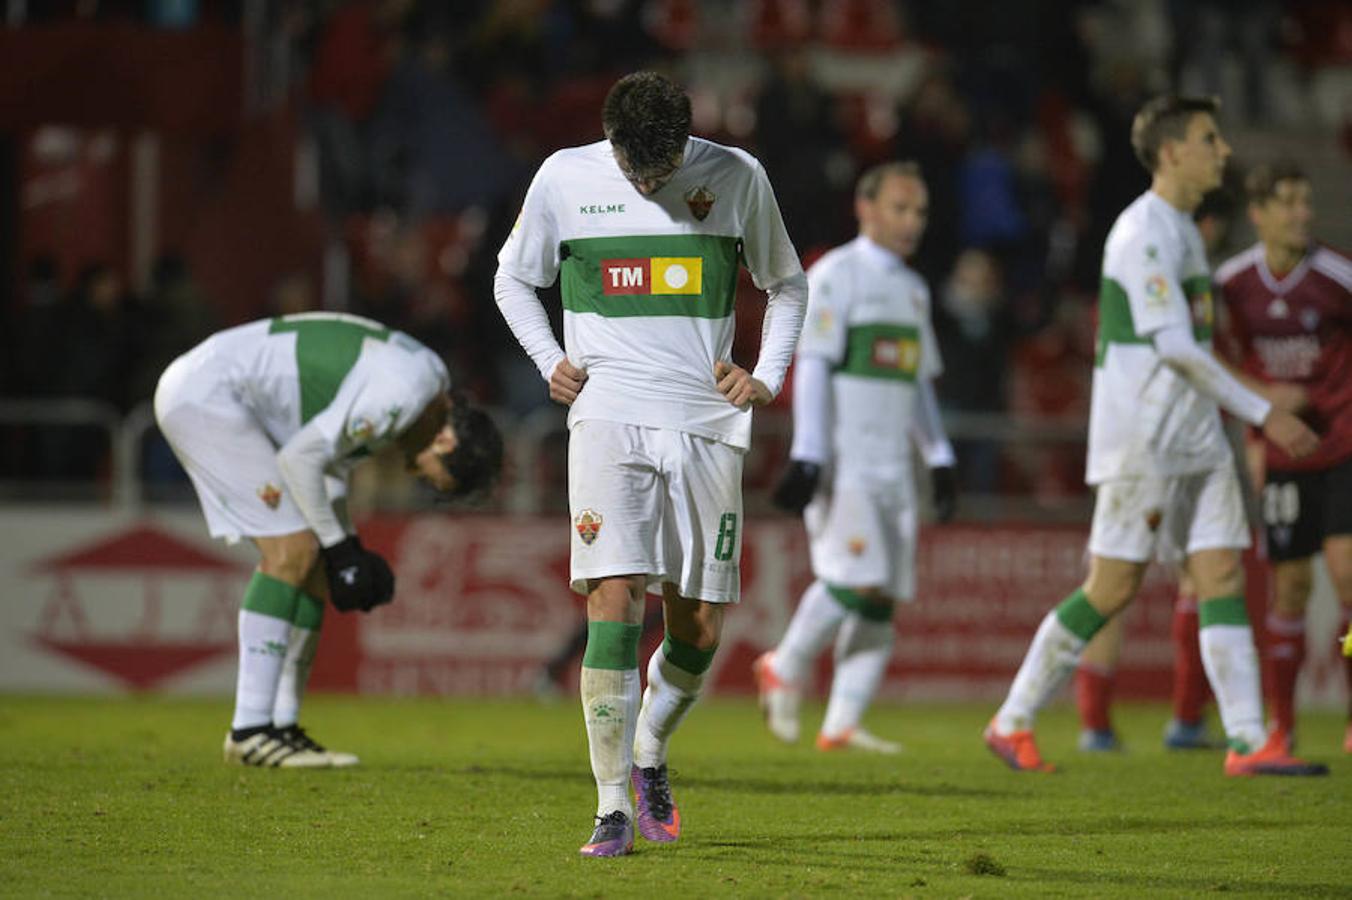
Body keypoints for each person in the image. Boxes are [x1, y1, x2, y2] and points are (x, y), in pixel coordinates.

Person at [494, 71, 806, 857]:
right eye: (637, 169)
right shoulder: (566, 175)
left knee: (699, 627)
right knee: (616, 599)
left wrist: (765, 375)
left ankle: (650, 750)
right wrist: (547, 360)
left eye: (661, 169)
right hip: (606, 415)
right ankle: (609, 808)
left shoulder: (737, 176)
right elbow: (511, 277)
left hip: (706, 422)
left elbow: (788, 285)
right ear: (615, 143)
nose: (648, 181)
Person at [982, 94, 1329, 777]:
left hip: (1195, 435)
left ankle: (1248, 740)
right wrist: (1263, 411)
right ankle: (1012, 720)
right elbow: (1174, 346)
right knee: (1111, 587)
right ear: (1171, 151)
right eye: (1209, 138)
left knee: (1222, 570)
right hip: (1143, 438)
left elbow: (1191, 347)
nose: (1223, 150)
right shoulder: (1141, 231)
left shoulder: (1185, 232)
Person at [155, 311, 502, 767]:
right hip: (209, 397)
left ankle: (281, 726)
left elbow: (326, 472)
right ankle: (251, 730)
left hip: (217, 387)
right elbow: (301, 462)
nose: (414, 471)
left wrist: (345, 547)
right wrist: (342, 549)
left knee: (314, 567)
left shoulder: (423, 384)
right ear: (446, 443)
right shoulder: (402, 398)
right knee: (293, 551)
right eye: (431, 475)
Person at [753, 161, 956, 755]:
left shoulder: (913, 289)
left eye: (919, 211)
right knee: (855, 576)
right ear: (865, 209)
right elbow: (813, 366)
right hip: (848, 462)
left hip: (896, 464)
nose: (911, 221)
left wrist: (938, 456)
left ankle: (842, 724)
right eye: (899, 208)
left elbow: (917, 383)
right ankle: (784, 664)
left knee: (884, 592)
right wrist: (810, 454)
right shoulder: (837, 274)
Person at [1214, 160, 1352, 754]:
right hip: (1283, 455)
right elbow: (1218, 360)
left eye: (1305, 201)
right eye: (1288, 202)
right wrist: (1259, 417)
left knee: (1349, 579)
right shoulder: (1233, 283)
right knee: (1289, 588)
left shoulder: (1340, 275)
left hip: (1346, 446)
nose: (1301, 214)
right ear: (1259, 213)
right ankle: (1282, 727)